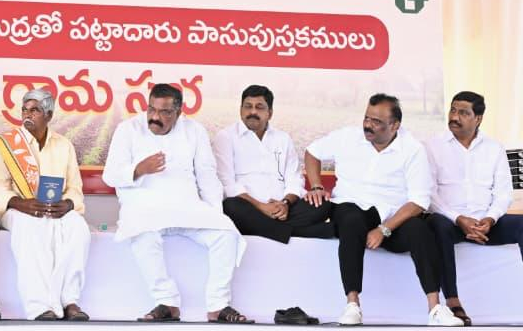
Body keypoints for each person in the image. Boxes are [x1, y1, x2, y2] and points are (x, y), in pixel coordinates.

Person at [304, 93, 462, 326]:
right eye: (367, 118)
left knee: (420, 230)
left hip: (392, 217)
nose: (368, 125)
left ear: (395, 125)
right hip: (351, 206)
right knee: (351, 219)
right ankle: (352, 305)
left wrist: (384, 229)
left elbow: (419, 200)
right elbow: (312, 152)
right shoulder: (348, 137)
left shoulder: (412, 149)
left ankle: (435, 308)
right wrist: (317, 185)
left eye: (376, 121)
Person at [104, 83, 251, 323]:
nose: (155, 117)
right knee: (141, 235)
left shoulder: (194, 131)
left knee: (226, 234)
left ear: (178, 112)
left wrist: (215, 214)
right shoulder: (128, 129)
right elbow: (110, 176)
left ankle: (218, 306)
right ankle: (167, 302)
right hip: (144, 207)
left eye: (164, 112)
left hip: (187, 208)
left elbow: (206, 174)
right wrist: (139, 169)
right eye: (152, 109)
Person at [0, 88, 89, 321]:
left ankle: (69, 301)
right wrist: (20, 203)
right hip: (17, 210)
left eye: (34, 110)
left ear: (49, 115)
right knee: (32, 227)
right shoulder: (7, 145)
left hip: (56, 210)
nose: (27, 114)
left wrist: (68, 204)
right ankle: (39, 306)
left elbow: (75, 188)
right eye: (24, 109)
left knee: (78, 228)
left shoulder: (64, 145)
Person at [423, 91, 522, 326]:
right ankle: (453, 302)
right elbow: (428, 194)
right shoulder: (431, 146)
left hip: (485, 224)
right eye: (453, 110)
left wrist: (490, 219)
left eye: (463, 113)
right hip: (449, 220)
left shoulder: (494, 148)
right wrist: (458, 218)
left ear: (478, 118)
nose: (454, 117)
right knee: (436, 225)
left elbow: (503, 193)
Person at [212, 85, 332, 243]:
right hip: (249, 208)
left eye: (259, 107)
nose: (252, 112)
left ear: (270, 113)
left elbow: (295, 179)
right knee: (231, 206)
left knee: (323, 205)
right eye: (248, 106)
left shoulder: (282, 139)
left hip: (283, 210)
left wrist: (285, 204)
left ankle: (274, 229)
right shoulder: (226, 137)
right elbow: (227, 184)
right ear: (240, 109)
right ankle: (295, 232)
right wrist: (262, 207)